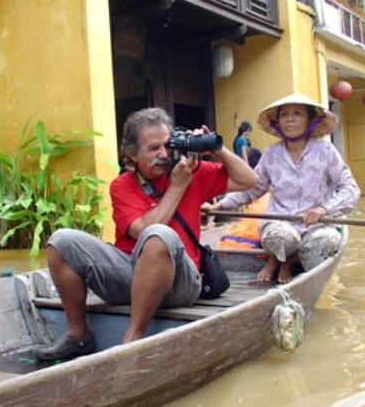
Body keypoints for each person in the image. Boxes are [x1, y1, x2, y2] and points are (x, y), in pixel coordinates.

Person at [33, 107, 258, 362]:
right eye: (153, 149)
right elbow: (143, 232)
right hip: (132, 276)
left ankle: (133, 337)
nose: (163, 154)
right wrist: (177, 187)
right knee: (61, 241)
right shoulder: (123, 185)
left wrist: (215, 148)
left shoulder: (191, 171)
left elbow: (249, 180)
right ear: (132, 154)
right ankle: (78, 334)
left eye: (166, 145)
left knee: (160, 235)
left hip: (181, 283)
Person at [205, 93, 360, 284]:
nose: (290, 119)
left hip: (316, 225)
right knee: (281, 238)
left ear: (310, 120)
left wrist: (324, 209)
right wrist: (219, 206)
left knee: (327, 240)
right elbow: (253, 189)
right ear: (277, 121)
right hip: (279, 225)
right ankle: (279, 259)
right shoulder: (271, 154)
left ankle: (287, 261)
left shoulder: (326, 151)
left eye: (297, 113)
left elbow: (351, 188)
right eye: (284, 114)